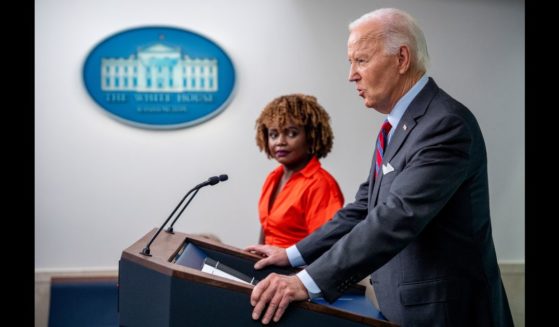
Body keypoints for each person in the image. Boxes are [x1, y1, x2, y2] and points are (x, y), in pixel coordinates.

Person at [245, 8, 513, 326]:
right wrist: (292, 255)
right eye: (351, 62)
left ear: (401, 59)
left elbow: (395, 218)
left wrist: (304, 281)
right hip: (403, 310)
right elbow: (364, 207)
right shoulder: (396, 125)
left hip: (446, 315)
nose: (351, 74)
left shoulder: (445, 124)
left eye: (361, 60)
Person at [254, 94, 344, 248]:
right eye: (273, 135)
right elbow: (267, 230)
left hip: (296, 270)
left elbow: (325, 248)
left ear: (310, 137)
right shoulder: (274, 177)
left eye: (291, 133)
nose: (280, 142)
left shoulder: (320, 184)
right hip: (269, 268)